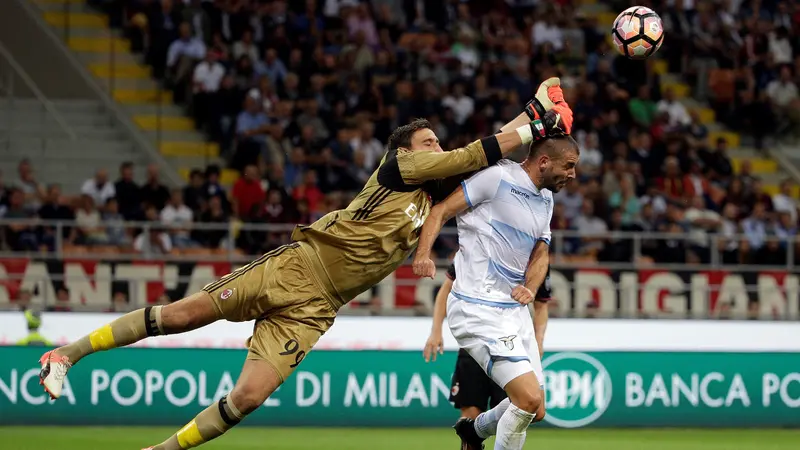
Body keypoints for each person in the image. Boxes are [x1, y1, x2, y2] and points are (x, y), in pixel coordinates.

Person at [37, 78, 572, 450]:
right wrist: (534, 122)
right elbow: (471, 155)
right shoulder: (400, 167)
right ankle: (67, 353)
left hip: (318, 307)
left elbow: (488, 156)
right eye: (427, 141)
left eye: (436, 141)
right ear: (407, 150)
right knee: (180, 315)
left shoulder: (433, 200)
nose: (435, 147)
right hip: (296, 266)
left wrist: (536, 111)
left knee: (248, 397)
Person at [413, 131, 578, 450]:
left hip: (513, 313)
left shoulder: (546, 198)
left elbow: (541, 251)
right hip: (478, 308)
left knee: (536, 408)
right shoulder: (497, 178)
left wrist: (530, 289)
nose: (572, 174)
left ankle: (473, 431)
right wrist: (422, 254)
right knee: (527, 400)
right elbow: (440, 211)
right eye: (568, 166)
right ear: (544, 161)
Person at [423, 262, 552, 422]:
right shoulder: (477, 243)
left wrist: (538, 341)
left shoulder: (538, 258)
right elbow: (447, 288)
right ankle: (470, 437)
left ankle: (481, 431)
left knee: (524, 410)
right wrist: (435, 331)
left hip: (511, 344)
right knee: (469, 414)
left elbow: (541, 305)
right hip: (476, 340)